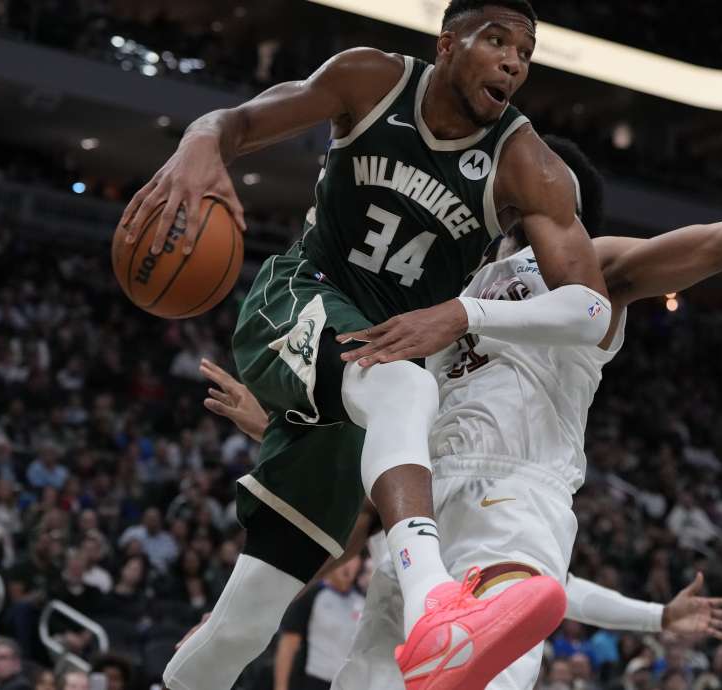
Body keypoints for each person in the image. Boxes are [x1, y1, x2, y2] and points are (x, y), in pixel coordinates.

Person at [196, 20, 722, 682]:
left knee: (488, 653)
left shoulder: (596, 270)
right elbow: (390, 427)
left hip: (514, 492)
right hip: (422, 508)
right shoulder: (454, 277)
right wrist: (286, 419)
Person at [137, 2, 613, 687]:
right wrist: (198, 142)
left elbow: (592, 309)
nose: (514, 62)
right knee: (408, 384)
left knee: (244, 622)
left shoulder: (527, 164)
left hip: (371, 376)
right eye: (497, 41)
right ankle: (434, 609)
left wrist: (463, 312)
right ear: (448, 43)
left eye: (526, 53)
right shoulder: (371, 79)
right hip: (301, 298)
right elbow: (237, 122)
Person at [273, 557, 365, 690]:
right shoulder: (311, 594)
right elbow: (288, 645)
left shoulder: (362, 601)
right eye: (346, 558)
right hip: (312, 681)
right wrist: (281, 687)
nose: (347, 566)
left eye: (353, 559)